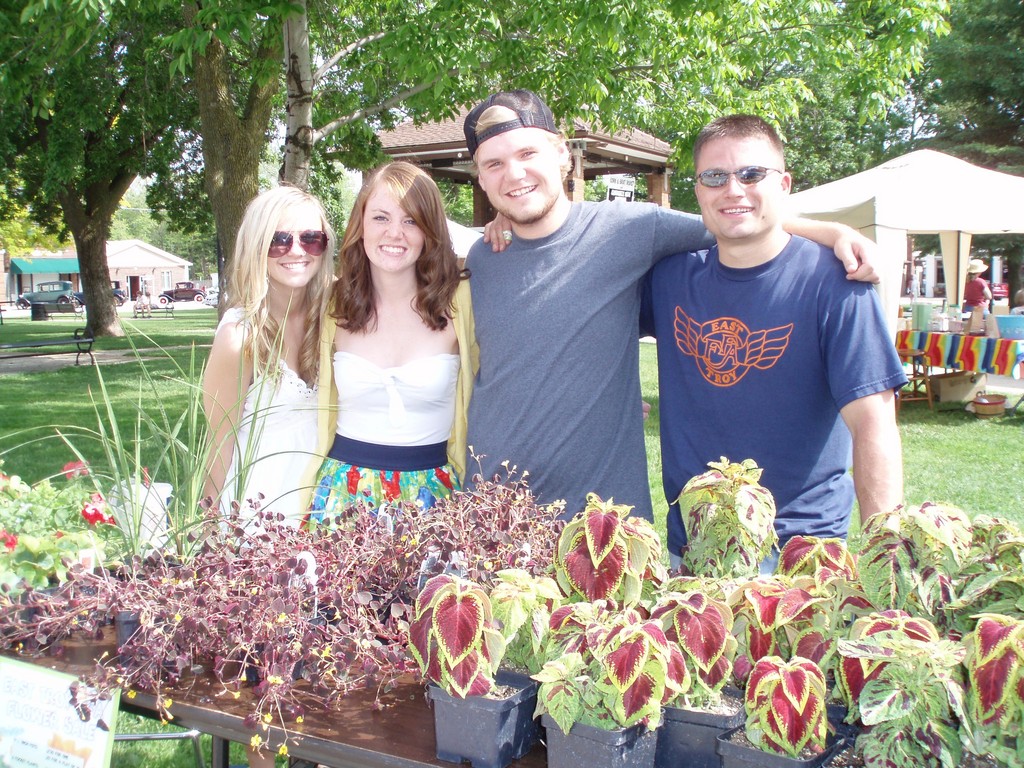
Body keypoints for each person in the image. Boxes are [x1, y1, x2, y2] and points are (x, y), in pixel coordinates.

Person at [461, 89, 880, 523]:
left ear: (561, 155)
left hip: (602, 518)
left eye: (527, 153)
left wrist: (832, 232)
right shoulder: (482, 258)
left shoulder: (633, 229)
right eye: (494, 164)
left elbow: (734, 219)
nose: (514, 173)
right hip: (492, 509)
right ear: (481, 177)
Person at [639, 114, 907, 569]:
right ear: (699, 190)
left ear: (783, 184)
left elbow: (874, 423)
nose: (733, 189)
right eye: (715, 176)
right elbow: (593, 322)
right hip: (690, 550)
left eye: (751, 174)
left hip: (799, 553)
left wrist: (888, 556)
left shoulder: (835, 283)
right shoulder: (669, 278)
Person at [307, 161, 476, 521]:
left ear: (430, 231)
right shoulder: (329, 305)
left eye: (411, 220)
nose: (394, 233)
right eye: (381, 218)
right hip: (342, 495)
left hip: (435, 495)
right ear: (361, 225)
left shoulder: (461, 302)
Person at [202, 185, 336, 527]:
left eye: (310, 239)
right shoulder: (239, 336)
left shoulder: (336, 317)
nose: (296, 251)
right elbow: (219, 445)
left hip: (327, 511)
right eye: (279, 240)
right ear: (257, 246)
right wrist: (205, 538)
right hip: (257, 519)